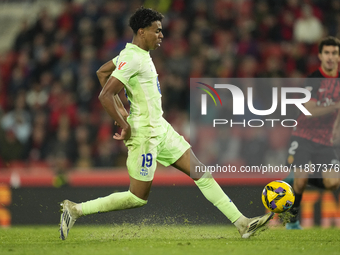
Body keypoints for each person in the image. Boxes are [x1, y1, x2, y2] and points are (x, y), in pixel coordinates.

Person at [59, 7, 273, 240]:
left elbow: (102, 72)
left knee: (201, 172)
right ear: (142, 32)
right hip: (144, 134)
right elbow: (104, 95)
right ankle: (76, 209)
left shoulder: (132, 54)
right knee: (137, 198)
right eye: (157, 31)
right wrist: (124, 123)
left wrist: (122, 109)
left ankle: (242, 223)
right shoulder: (132, 58)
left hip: (160, 128)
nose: (161, 35)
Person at [285, 36, 340, 229]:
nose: (330, 57)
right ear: (320, 55)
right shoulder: (314, 80)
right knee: (300, 182)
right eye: (327, 53)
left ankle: (302, 176)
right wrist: (336, 106)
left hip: (325, 140)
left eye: (334, 53)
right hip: (304, 136)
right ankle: (292, 221)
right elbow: (310, 111)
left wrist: (336, 130)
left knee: (333, 182)